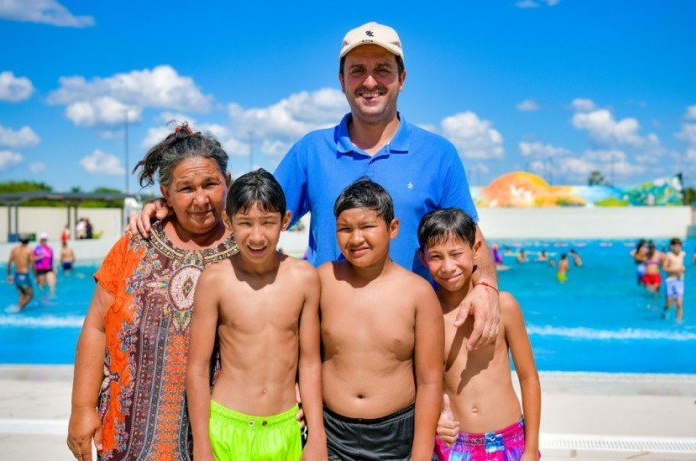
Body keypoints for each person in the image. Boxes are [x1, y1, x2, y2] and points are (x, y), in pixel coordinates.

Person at [132, 21, 500, 351]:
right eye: (358, 70)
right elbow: (252, 218)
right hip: (327, 343)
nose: (370, 81)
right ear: (342, 81)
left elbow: (470, 238)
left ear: (402, 79)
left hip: (412, 344)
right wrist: (174, 212)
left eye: (382, 70)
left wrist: (486, 289)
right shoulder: (311, 150)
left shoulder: (439, 153)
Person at [66, 125, 240, 461]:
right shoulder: (135, 244)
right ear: (166, 193)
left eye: (210, 184)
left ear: (228, 182)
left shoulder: (248, 247)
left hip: (223, 436)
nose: (201, 199)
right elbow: (96, 327)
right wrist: (82, 408)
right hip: (128, 434)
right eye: (185, 188)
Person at [186, 169, 326, 460]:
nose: (257, 235)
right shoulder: (216, 281)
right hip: (227, 429)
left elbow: (310, 362)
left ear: (285, 221)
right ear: (229, 222)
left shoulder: (304, 278)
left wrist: (317, 436)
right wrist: (202, 444)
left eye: (268, 223)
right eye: (245, 223)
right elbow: (198, 368)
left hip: (285, 428)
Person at [318, 178, 443, 460]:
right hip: (331, 434)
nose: (356, 238)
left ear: (393, 228)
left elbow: (430, 381)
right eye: (345, 229)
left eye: (367, 226)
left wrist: (421, 454)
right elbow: (306, 359)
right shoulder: (324, 280)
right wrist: (314, 434)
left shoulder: (418, 293)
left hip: (398, 436)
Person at [416, 208, 540, 461]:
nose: (448, 266)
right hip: (453, 447)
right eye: (436, 257)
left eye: (456, 254)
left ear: (476, 250)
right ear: (422, 257)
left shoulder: (503, 306)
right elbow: (425, 384)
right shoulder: (427, 315)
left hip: (510, 442)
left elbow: (529, 378)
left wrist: (530, 450)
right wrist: (437, 420)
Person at [6, 235, 35, 311]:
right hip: (24, 276)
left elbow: (9, 263)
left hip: (16, 275)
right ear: (28, 241)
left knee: (22, 296)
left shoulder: (14, 250)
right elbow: (33, 265)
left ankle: (19, 309)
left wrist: (9, 275)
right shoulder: (29, 250)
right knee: (30, 295)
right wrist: (36, 276)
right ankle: (18, 309)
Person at [662, 238, 686, 322]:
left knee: (679, 303)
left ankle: (678, 322)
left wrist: (683, 269)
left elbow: (681, 265)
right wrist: (674, 270)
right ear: (672, 247)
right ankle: (665, 310)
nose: (678, 248)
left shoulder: (682, 254)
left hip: (679, 281)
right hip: (670, 281)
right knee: (669, 303)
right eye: (676, 246)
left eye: (679, 246)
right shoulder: (668, 255)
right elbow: (664, 268)